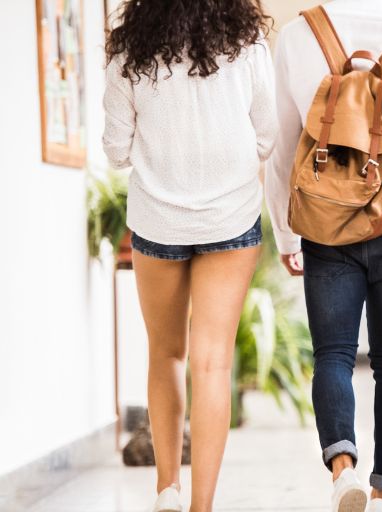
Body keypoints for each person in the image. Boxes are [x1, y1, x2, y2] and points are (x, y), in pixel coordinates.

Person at [264, 1, 382, 511]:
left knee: (332, 355)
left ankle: (342, 468)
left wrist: (288, 234)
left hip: (325, 225)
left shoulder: (299, 34)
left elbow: (284, 148)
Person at [102, 1, 276, 511]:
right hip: (230, 215)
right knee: (212, 363)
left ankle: (166, 490)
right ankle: (202, 506)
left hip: (158, 220)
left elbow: (115, 151)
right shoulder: (247, 46)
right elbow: (266, 136)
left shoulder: (127, 49)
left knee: (166, 354)